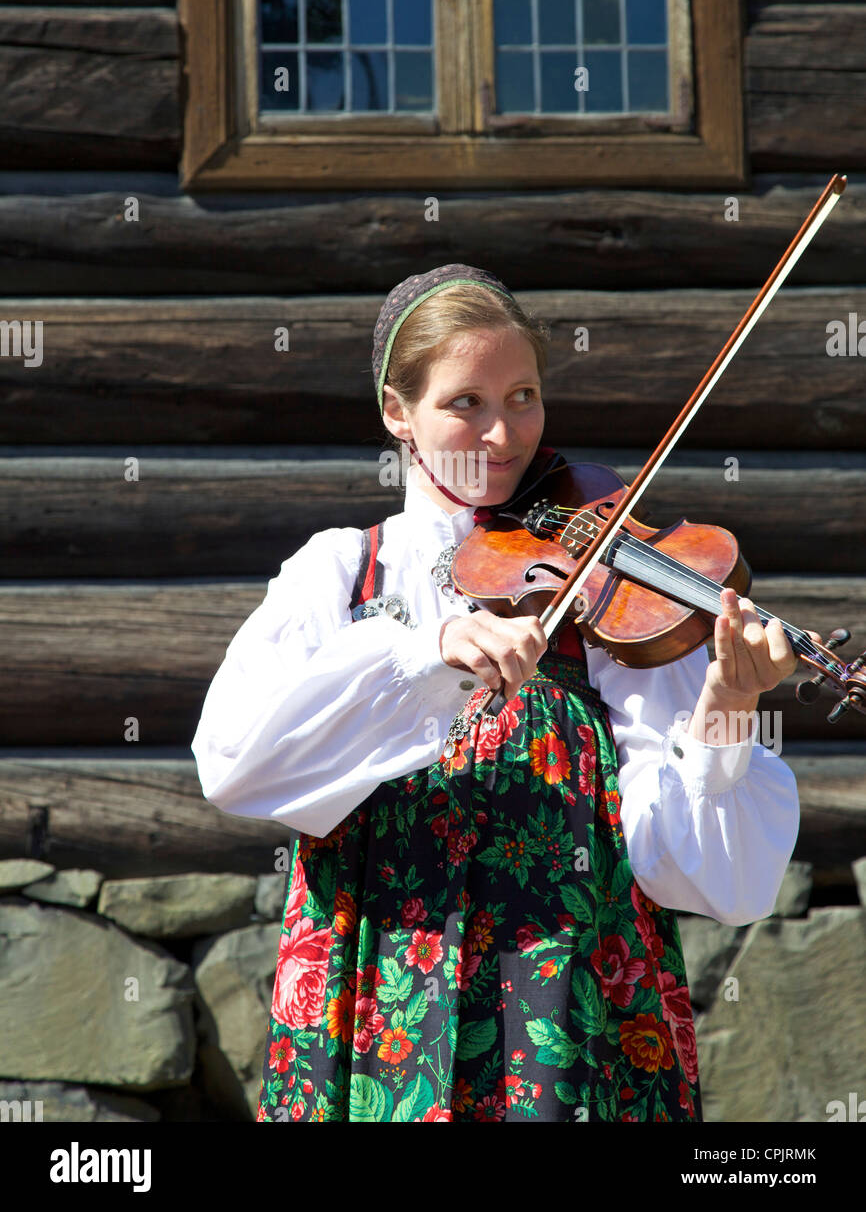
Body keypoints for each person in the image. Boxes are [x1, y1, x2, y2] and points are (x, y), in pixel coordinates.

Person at [190, 263, 800, 1123]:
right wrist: (421, 652)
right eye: (464, 403)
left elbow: (713, 882)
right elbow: (234, 765)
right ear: (397, 415)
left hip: (571, 1013)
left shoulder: (605, 588)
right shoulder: (343, 572)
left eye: (523, 396)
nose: (503, 434)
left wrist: (728, 712)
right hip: (377, 1001)